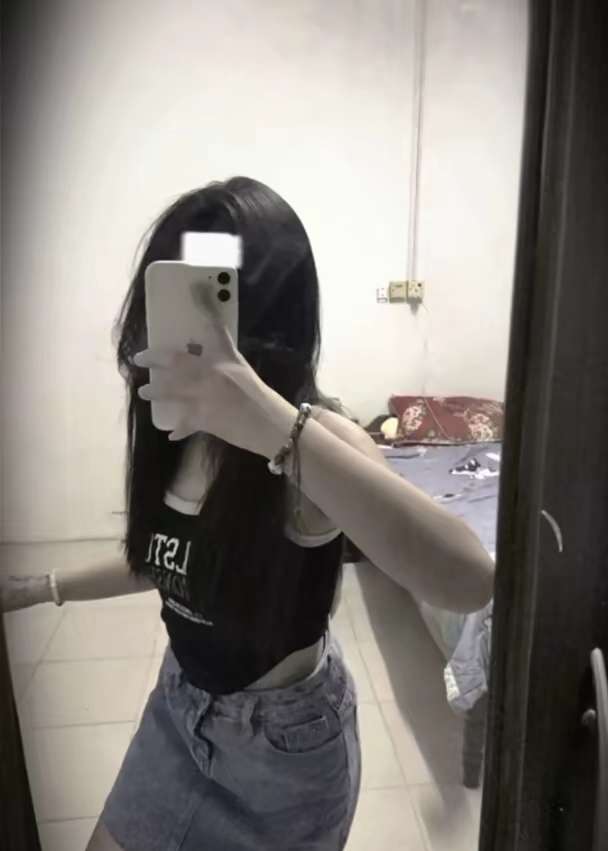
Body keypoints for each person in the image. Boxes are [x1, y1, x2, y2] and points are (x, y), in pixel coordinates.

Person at [1, 177, 494, 850]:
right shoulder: (171, 429)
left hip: (284, 752)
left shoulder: (317, 438)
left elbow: (469, 579)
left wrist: (272, 423)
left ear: (265, 315)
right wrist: (39, 587)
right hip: (179, 707)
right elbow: (166, 560)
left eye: (216, 300)